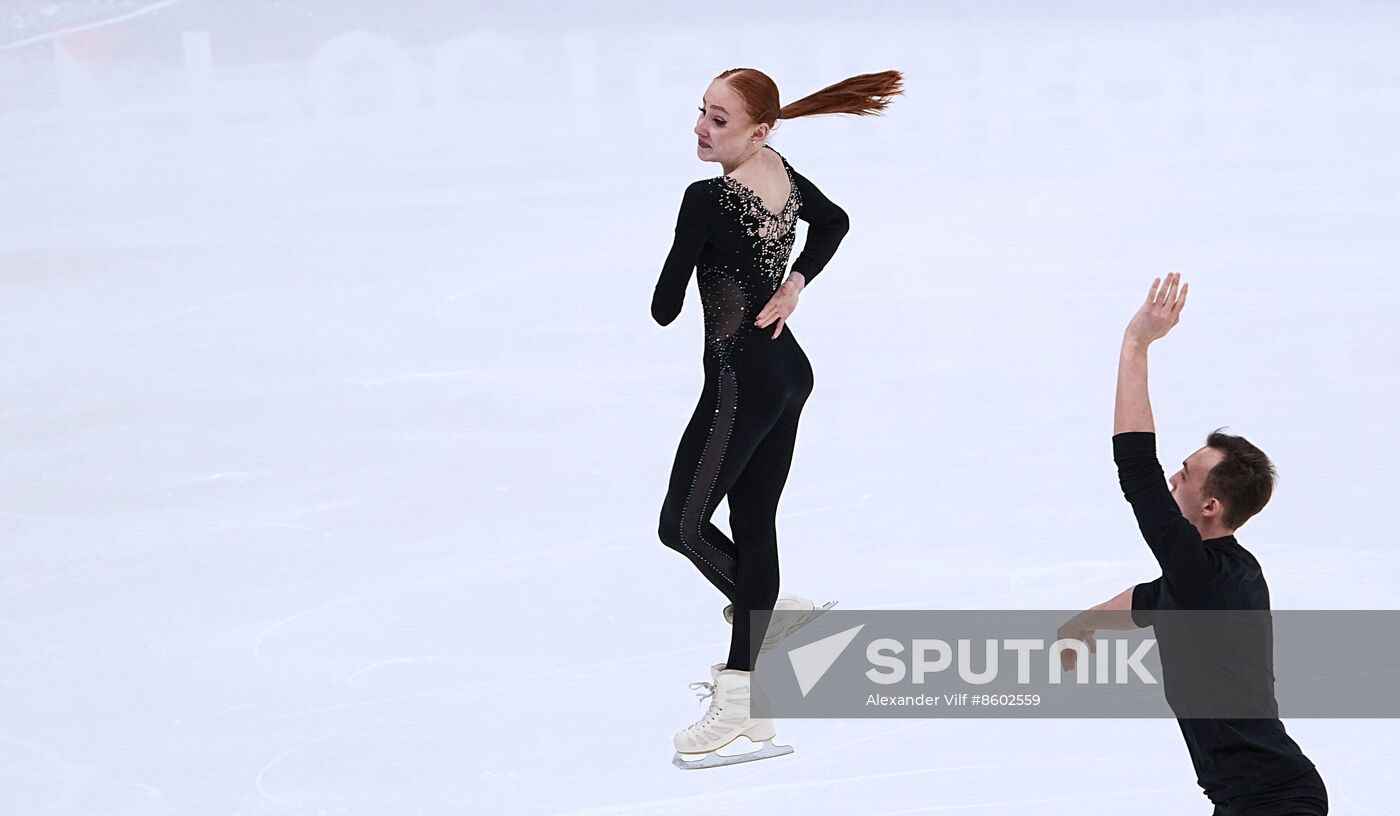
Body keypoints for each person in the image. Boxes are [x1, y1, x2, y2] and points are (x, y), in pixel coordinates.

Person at [652, 67, 902, 769]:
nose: (702, 128)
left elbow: (665, 305)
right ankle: (747, 710)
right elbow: (833, 221)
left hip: (742, 384)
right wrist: (792, 283)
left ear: (759, 129)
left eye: (720, 120)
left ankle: (773, 619)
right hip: (788, 373)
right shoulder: (780, 170)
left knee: (680, 526)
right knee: (751, 527)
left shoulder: (706, 198)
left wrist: (691, 244)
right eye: (701, 111)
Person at [1058, 273, 1327, 813]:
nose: (1171, 481)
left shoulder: (1206, 576)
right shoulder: (1212, 579)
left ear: (1211, 507)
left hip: (1273, 803)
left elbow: (1135, 469)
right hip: (1252, 799)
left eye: (1184, 473)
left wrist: (1136, 344)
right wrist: (1080, 624)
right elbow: (1146, 602)